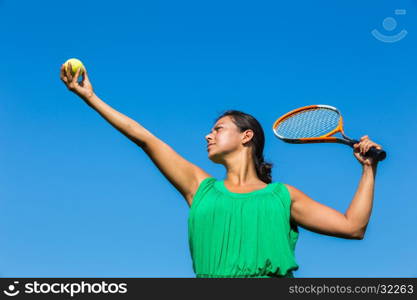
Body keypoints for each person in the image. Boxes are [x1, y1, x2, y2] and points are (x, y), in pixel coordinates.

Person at [60, 64, 383, 278]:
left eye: (218, 128)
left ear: (247, 136)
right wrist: (90, 97)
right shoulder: (200, 188)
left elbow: (352, 227)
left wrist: (368, 170)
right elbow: (144, 138)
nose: (208, 135)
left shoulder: (283, 196)